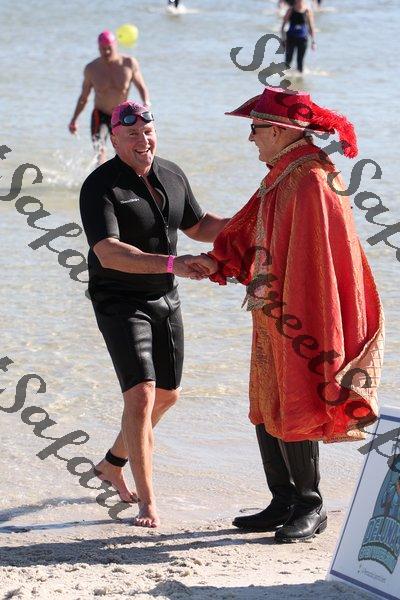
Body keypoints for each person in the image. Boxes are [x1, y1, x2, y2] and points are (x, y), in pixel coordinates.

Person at [186, 86, 384, 543]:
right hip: (274, 308)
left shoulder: (311, 177)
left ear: (277, 130)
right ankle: (282, 499)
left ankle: (310, 504)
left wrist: (296, 309)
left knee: (297, 394)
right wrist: (217, 260)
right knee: (267, 396)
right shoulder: (286, 171)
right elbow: (250, 226)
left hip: (301, 310)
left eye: (255, 129)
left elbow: (317, 260)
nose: (250, 138)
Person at [79, 101, 230, 528]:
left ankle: (111, 465)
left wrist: (251, 221)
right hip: (119, 300)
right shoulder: (100, 186)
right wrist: (173, 263)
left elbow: (199, 226)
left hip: (165, 297)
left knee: (167, 395)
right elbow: (108, 253)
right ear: (114, 140)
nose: (142, 141)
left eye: (148, 132)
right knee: (141, 395)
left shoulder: (172, 174)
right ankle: (147, 502)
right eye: (132, 135)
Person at [69, 31, 150, 165]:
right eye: (102, 49)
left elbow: (142, 87)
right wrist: (74, 119)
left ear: (115, 45)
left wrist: (146, 104)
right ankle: (101, 174)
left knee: (123, 151)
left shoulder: (129, 63)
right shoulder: (91, 69)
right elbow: (84, 97)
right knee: (99, 150)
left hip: (122, 115)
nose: (106, 52)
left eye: (109, 48)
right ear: (98, 47)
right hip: (99, 114)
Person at [281, 0, 316, 74]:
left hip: (303, 39)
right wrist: (283, 40)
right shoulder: (290, 10)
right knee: (288, 60)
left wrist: (313, 42)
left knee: (300, 62)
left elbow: (311, 27)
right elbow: (283, 26)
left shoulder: (307, 11)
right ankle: (284, 78)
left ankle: (299, 79)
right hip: (291, 38)